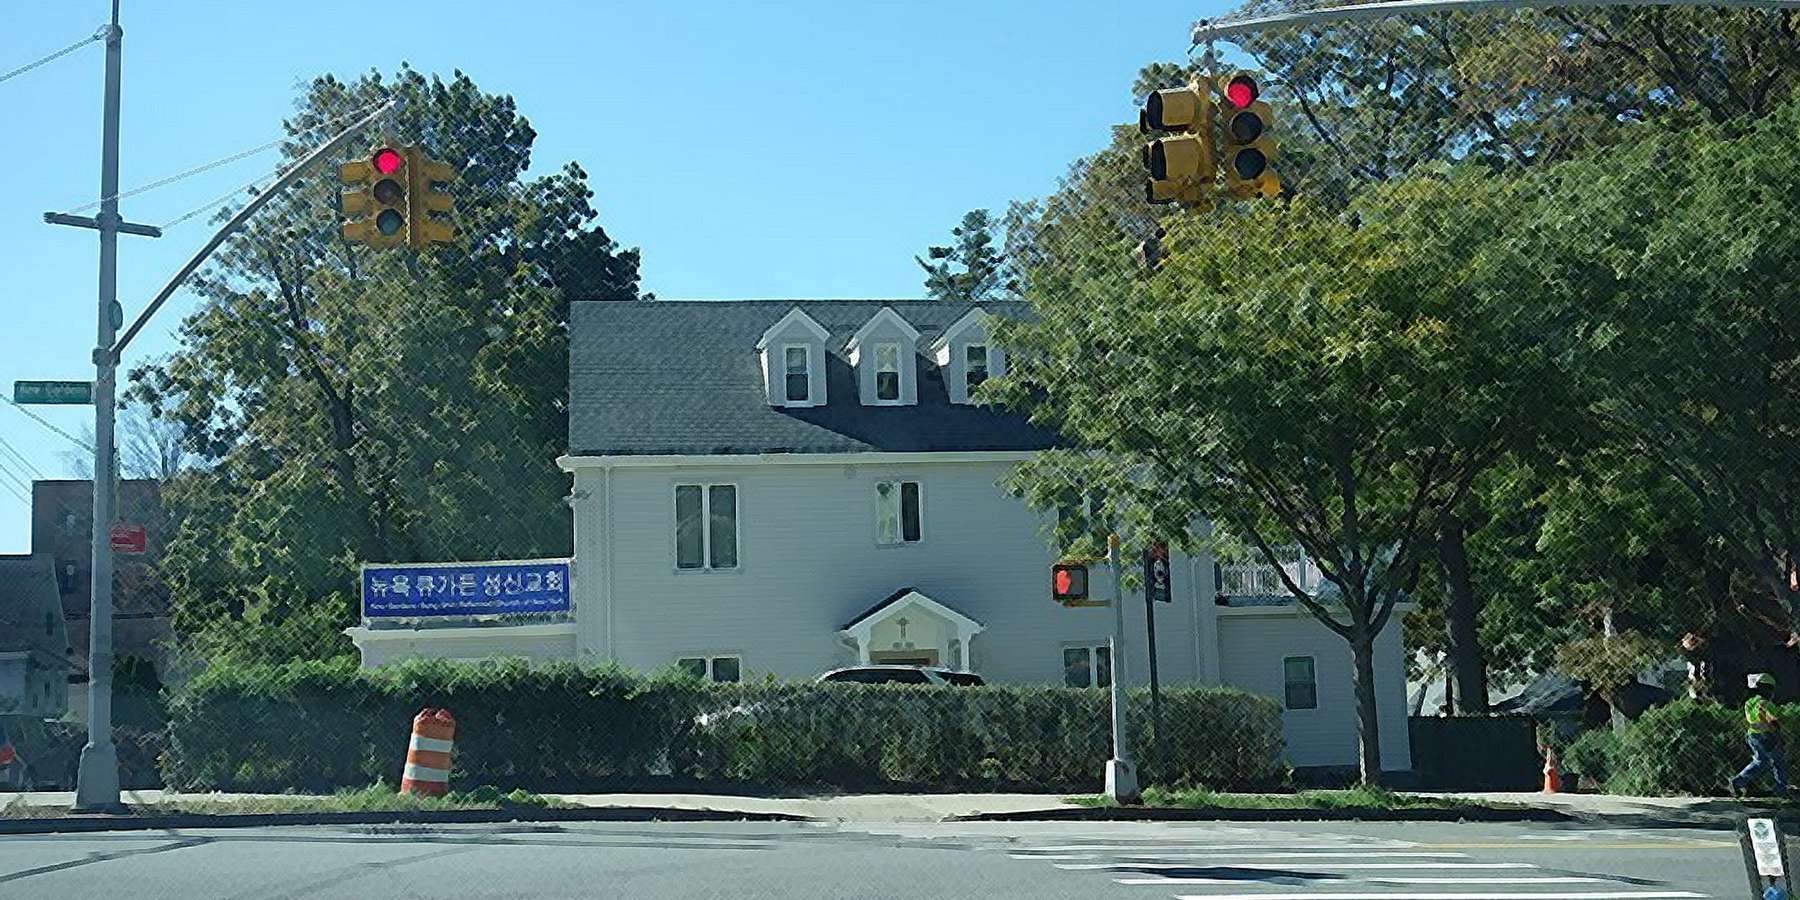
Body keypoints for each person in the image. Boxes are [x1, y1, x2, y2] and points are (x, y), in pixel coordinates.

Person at [1731, 672, 1788, 797]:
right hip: (1767, 736)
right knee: (1778, 762)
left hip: (1752, 736)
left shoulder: (1749, 703)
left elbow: (1753, 719)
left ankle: (1738, 782)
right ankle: (1782, 790)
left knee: (1760, 762)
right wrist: (1778, 736)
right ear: (1768, 689)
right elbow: (1770, 719)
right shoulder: (1767, 704)